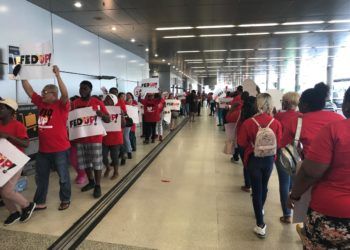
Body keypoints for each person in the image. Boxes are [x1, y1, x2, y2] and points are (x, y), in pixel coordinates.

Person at [288, 87, 350, 249]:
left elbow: (312, 172)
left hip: (333, 211)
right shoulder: (335, 119)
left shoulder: (335, 129)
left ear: (346, 105)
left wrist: (294, 195)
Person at [21, 65, 71, 211]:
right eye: (42, 91)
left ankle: (65, 199)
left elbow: (65, 94)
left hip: (60, 149)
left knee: (63, 177)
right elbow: (29, 91)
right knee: (41, 178)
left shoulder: (61, 105)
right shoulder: (41, 103)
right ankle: (40, 201)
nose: (42, 94)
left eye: (45, 92)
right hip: (43, 150)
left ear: (54, 95)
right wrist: (22, 76)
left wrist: (58, 76)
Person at [238, 93, 282, 238]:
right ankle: (260, 209)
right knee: (264, 186)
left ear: (258, 104)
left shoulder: (249, 123)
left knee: (256, 190)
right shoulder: (275, 123)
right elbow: (279, 143)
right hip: (269, 160)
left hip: (253, 159)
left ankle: (260, 224)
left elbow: (242, 143)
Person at [71, 81, 110, 198]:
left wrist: (102, 115)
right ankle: (91, 181)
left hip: (94, 137)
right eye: (81, 88)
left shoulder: (97, 102)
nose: (82, 90)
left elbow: (108, 119)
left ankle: (97, 185)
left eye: (85, 88)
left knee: (97, 163)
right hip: (81, 138)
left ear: (90, 90)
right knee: (85, 162)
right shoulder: (74, 103)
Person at [0, 99, 36, 225]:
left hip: (15, 162)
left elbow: (26, 143)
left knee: (7, 191)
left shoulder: (18, 126)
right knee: (1, 188)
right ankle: (13, 212)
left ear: (10, 111)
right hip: (3, 160)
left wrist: (8, 136)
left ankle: (27, 205)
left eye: (1, 108)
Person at [274, 92, 301, 224]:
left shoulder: (279, 115)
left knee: (283, 183)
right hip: (297, 152)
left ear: (286, 102)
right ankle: (293, 205)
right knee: (292, 180)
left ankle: (287, 214)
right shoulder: (301, 117)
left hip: (282, 151)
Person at [237, 95, 257, 192]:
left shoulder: (243, 113)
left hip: (244, 143)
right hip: (258, 145)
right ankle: (257, 184)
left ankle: (248, 185)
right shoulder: (258, 117)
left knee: (246, 164)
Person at [102, 94, 123, 180]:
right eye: (105, 99)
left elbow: (124, 124)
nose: (105, 101)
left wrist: (122, 115)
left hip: (115, 136)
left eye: (108, 100)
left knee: (114, 156)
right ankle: (108, 167)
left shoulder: (118, 110)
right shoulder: (101, 109)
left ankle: (116, 172)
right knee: (103, 155)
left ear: (113, 102)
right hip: (104, 136)